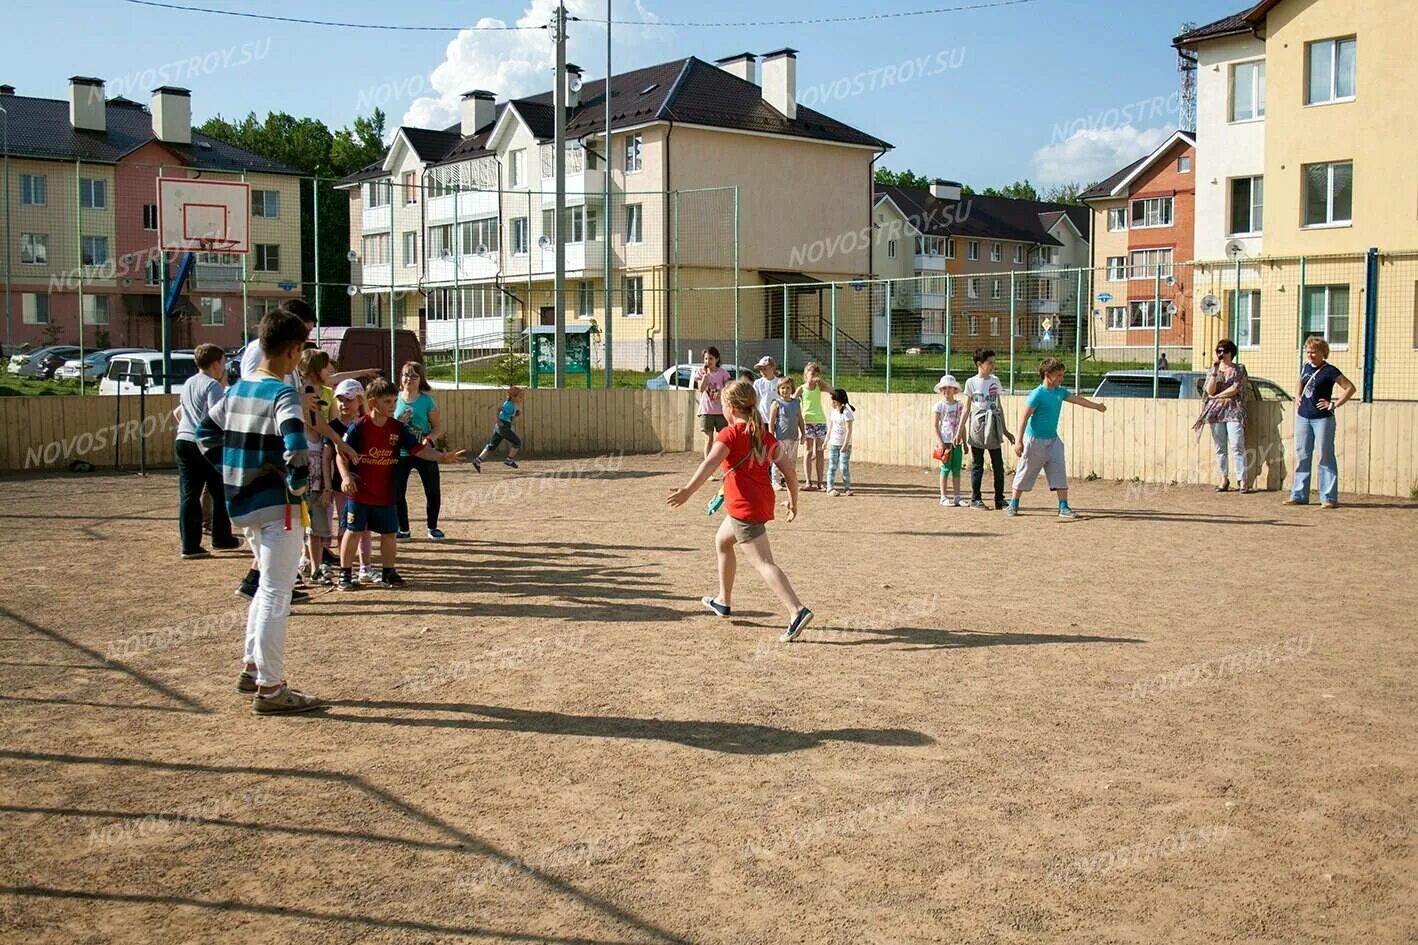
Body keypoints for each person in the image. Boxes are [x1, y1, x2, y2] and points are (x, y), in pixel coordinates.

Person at [196, 308, 323, 714]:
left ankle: (252, 668)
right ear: (292, 349)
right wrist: (295, 484)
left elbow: (204, 433)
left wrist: (233, 470)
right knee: (275, 592)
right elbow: (296, 445)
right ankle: (271, 687)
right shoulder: (281, 392)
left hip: (243, 505)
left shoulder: (235, 389)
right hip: (278, 507)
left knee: (265, 586)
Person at [666, 379, 814, 642]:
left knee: (764, 563)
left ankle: (796, 610)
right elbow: (790, 473)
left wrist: (687, 491)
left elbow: (710, 464)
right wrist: (794, 501)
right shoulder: (764, 436)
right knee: (722, 542)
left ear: (731, 408)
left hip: (744, 510)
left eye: (723, 405)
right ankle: (723, 600)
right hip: (755, 505)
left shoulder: (730, 434)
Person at [335, 378, 467, 591]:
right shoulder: (359, 427)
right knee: (354, 531)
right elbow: (341, 455)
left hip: (386, 491)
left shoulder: (397, 428)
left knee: (389, 533)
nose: (393, 405)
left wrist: (442, 457)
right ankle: (345, 575)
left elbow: (419, 450)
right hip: (360, 492)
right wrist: (346, 477)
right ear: (372, 403)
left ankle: (389, 572)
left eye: (395, 401)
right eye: (387, 401)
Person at [1007, 357, 1107, 520]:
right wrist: (1019, 442)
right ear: (1048, 374)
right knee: (1025, 471)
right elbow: (1024, 418)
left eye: (1062, 375)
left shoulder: (1060, 392)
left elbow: (1077, 400)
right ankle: (1014, 503)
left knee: (1059, 471)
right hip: (1034, 441)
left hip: (1053, 441)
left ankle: (1063, 507)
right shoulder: (1037, 395)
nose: (1062, 378)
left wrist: (1096, 406)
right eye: (1059, 375)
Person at [175, 343, 239, 559]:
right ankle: (221, 538)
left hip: (183, 439)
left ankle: (189, 546)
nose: (224, 367)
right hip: (203, 443)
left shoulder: (188, 383)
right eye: (222, 362)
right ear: (215, 363)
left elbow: (178, 413)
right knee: (219, 491)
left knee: (189, 494)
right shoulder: (212, 386)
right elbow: (217, 416)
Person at [1285, 336, 1355, 509]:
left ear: (1323, 353)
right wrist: (1298, 396)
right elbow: (1300, 381)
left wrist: (1333, 404)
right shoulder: (1306, 366)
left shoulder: (1330, 370)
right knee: (1302, 455)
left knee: (1325, 455)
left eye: (1313, 352)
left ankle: (1329, 497)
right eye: (1307, 351)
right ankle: (1299, 495)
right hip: (1303, 417)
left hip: (1323, 418)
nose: (1309, 355)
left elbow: (1349, 388)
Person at [328, 379, 376, 583]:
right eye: (340, 399)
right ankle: (345, 568)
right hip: (342, 485)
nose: (344, 404)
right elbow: (328, 457)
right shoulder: (332, 427)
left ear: (359, 400)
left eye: (349, 399)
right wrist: (329, 485)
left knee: (364, 527)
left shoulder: (367, 425)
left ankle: (365, 567)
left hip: (364, 485)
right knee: (345, 527)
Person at [393, 361, 446, 540]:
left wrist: (428, 439)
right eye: (406, 375)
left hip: (424, 452)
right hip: (401, 453)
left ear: (421, 379)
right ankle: (404, 529)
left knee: (432, 491)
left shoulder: (427, 401)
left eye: (414, 376)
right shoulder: (394, 399)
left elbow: (437, 427)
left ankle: (432, 527)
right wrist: (400, 420)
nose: (409, 379)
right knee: (397, 492)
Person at [961, 348, 1016, 510]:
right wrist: (959, 431)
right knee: (978, 464)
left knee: (998, 464)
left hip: (993, 425)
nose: (992, 366)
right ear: (979, 364)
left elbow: (999, 406)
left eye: (994, 363)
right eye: (989, 363)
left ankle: (999, 499)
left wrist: (1005, 430)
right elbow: (966, 408)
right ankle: (975, 499)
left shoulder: (995, 381)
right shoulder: (971, 383)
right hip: (978, 426)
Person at [1198, 339, 1250, 494]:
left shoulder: (1239, 369)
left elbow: (1236, 388)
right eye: (1218, 351)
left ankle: (1242, 480)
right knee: (1220, 447)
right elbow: (1209, 391)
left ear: (1231, 353)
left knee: (1236, 445)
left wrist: (1217, 396)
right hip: (1216, 412)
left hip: (1233, 409)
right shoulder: (1213, 370)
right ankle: (1224, 479)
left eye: (1224, 351)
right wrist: (1214, 371)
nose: (1221, 354)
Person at [691, 347, 732, 458]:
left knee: (721, 439)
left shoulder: (723, 373)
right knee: (708, 439)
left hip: (720, 411)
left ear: (717, 359)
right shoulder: (700, 372)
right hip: (706, 410)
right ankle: (708, 465)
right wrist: (705, 376)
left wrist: (721, 393)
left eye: (711, 358)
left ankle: (721, 461)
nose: (708, 361)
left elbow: (728, 388)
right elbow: (700, 389)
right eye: (705, 359)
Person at [932, 374, 966, 507]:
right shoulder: (939, 406)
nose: (947, 391)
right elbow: (935, 426)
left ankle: (957, 496)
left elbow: (962, 425)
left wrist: (965, 441)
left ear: (955, 390)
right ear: (941, 390)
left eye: (950, 388)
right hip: (945, 442)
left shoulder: (960, 406)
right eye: (944, 388)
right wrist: (940, 442)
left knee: (956, 469)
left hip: (956, 442)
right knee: (945, 469)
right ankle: (943, 496)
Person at [767, 375, 803, 491]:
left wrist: (803, 433)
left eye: (788, 388)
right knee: (778, 460)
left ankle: (790, 481)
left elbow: (800, 419)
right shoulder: (776, 403)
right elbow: (771, 422)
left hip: (794, 438)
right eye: (782, 388)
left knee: (792, 461)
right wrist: (771, 436)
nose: (785, 390)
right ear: (778, 389)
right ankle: (775, 481)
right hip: (780, 438)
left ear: (792, 389)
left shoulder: (796, 403)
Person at [798, 362, 831, 491]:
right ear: (806, 375)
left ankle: (820, 482)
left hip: (820, 421)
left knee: (820, 452)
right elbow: (793, 401)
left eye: (817, 374)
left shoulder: (819, 387)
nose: (814, 377)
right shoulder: (801, 388)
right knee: (807, 451)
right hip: (808, 422)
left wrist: (821, 381)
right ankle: (808, 482)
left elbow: (831, 389)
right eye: (812, 374)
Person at [475, 385, 524, 469]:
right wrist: (498, 421)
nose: (521, 398)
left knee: (492, 446)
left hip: (501, 426)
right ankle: (509, 460)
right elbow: (498, 410)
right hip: (503, 426)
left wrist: (516, 413)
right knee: (517, 442)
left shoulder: (511, 404)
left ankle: (477, 461)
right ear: (513, 397)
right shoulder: (509, 405)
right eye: (520, 396)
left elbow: (507, 413)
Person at [825, 387, 855, 497]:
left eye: (833, 400)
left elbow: (849, 430)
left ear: (838, 401)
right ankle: (830, 488)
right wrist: (826, 441)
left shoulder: (847, 413)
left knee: (844, 467)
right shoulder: (833, 413)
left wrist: (845, 444)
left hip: (844, 445)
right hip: (833, 444)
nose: (832, 402)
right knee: (832, 466)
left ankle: (847, 488)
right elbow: (831, 428)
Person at [753, 356, 780, 422]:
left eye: (765, 369)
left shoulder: (780, 382)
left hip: (777, 419)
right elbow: (754, 399)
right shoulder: (757, 383)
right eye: (760, 369)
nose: (762, 371)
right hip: (762, 419)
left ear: (773, 367)